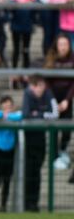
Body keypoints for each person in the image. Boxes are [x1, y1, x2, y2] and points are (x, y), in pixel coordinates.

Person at [22, 75, 59, 212]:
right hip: (28, 139)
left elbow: (54, 114)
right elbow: (26, 114)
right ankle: (27, 203)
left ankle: (34, 203)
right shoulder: (27, 93)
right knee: (29, 172)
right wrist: (42, 114)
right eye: (40, 86)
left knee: (36, 172)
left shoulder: (47, 93)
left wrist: (39, 114)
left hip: (41, 139)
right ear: (33, 86)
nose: (42, 89)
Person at [0, 96, 22, 213]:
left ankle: (3, 205)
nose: (7, 108)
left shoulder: (14, 116)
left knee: (7, 180)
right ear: (1, 105)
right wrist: (2, 114)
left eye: (9, 105)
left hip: (10, 152)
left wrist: (7, 115)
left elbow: (20, 116)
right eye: (4, 105)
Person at [45, 34, 74, 171]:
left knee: (67, 129)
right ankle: (54, 154)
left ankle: (63, 148)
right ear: (57, 46)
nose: (63, 48)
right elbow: (47, 82)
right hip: (53, 99)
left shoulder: (72, 59)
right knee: (54, 129)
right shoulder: (51, 59)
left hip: (67, 99)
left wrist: (67, 101)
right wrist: (53, 101)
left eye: (65, 45)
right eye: (61, 45)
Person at [8, 0, 36, 68]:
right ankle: (14, 73)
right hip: (16, 26)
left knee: (26, 50)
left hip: (27, 27)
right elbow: (9, 8)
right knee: (16, 50)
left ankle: (25, 73)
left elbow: (35, 12)